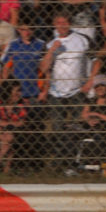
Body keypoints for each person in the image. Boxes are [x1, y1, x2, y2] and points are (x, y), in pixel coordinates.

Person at [39, 12, 93, 165]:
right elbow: (43, 68)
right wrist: (52, 51)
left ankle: (75, 160)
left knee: (77, 127)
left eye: (65, 22)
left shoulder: (82, 40)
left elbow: (96, 59)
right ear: (54, 25)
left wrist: (90, 81)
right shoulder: (49, 44)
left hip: (77, 91)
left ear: (70, 24)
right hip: (56, 93)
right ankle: (59, 160)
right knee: (58, 128)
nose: (62, 26)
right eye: (59, 22)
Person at [0, 79, 28, 173]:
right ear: (8, 92)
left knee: (9, 134)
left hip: (18, 133)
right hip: (1, 134)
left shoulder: (22, 104)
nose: (19, 93)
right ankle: (6, 168)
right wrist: (3, 136)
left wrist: (4, 124)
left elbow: (21, 123)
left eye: (20, 90)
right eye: (17, 90)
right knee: (4, 134)